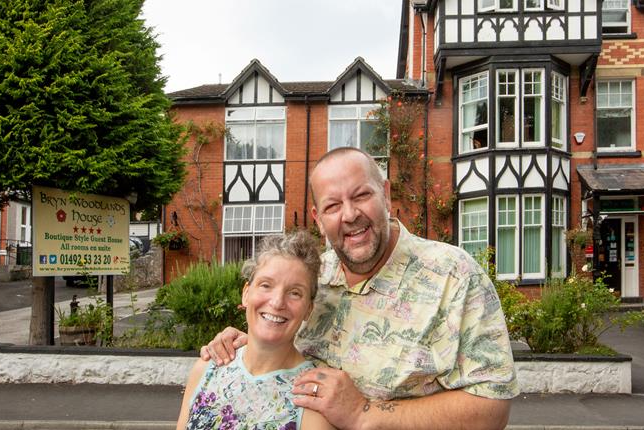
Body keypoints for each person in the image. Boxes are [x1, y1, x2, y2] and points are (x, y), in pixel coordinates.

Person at [201, 147, 519, 429]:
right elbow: (289, 351)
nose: (350, 215)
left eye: (361, 196)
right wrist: (255, 343)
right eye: (332, 206)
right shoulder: (313, 277)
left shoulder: (454, 276)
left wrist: (365, 413)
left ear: (386, 195)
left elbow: (491, 409)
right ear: (318, 218)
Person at [177, 231, 334, 430]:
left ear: (308, 310)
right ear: (246, 293)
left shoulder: (311, 399)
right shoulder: (207, 369)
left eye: (295, 293)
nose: (277, 302)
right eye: (266, 285)